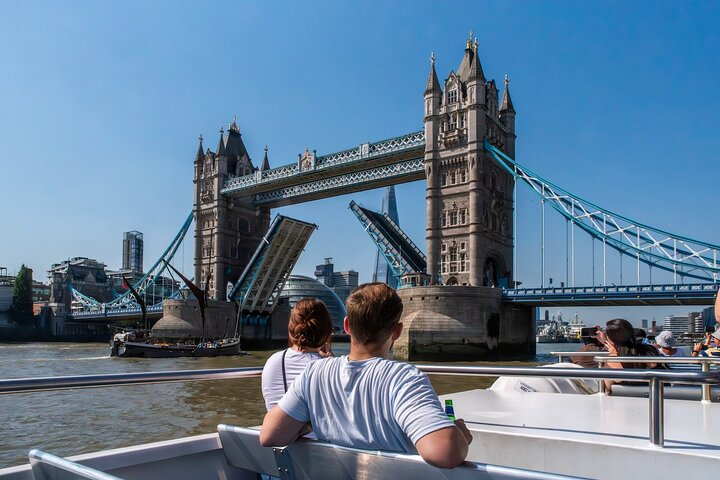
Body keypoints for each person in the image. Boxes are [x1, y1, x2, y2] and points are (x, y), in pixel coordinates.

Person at [260, 282, 472, 469]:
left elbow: (270, 435)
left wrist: (311, 422)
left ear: (346, 326)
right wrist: (460, 434)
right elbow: (445, 453)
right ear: (397, 332)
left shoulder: (314, 373)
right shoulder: (404, 379)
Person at [261, 298, 333, 411]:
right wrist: (333, 362)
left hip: (279, 428)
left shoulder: (273, 361)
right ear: (327, 332)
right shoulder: (332, 368)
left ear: (291, 329)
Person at [598, 318, 662, 393]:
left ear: (610, 340)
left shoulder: (612, 360)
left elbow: (608, 388)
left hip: (624, 400)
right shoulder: (650, 350)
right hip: (655, 397)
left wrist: (612, 354)